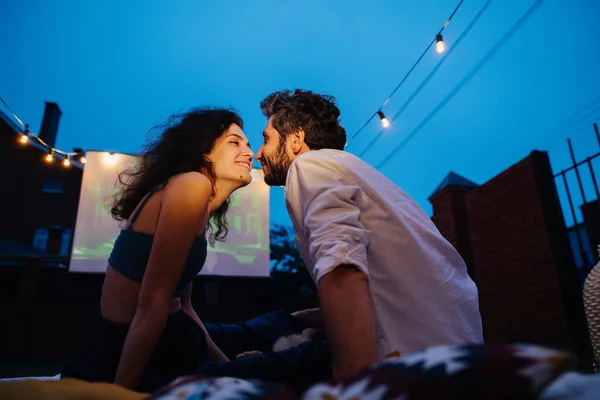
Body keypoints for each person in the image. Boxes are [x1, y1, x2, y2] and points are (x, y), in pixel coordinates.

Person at [255, 89, 483, 380]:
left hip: (412, 373)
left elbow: (342, 265)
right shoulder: (359, 172)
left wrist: (354, 386)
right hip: (457, 359)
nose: (259, 153)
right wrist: (310, 318)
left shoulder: (309, 165)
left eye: (266, 138)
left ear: (296, 139)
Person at [62, 108, 255, 392]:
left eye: (248, 145)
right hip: (130, 353)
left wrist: (227, 369)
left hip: (158, 341)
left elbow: (183, 306)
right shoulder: (192, 184)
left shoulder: (196, 201)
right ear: (204, 150)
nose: (249, 153)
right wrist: (120, 394)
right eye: (234, 142)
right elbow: (152, 303)